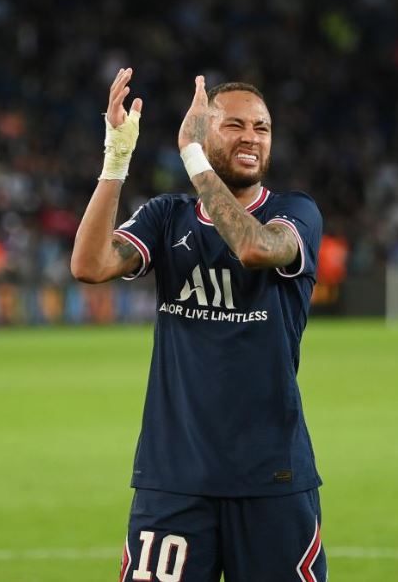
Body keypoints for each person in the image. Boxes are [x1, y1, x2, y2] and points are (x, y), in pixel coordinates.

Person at [71, 69, 327, 581]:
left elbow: (254, 248)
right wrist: (116, 158)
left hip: (271, 477)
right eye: (234, 125)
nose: (251, 137)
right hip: (173, 477)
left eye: (261, 127)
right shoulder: (167, 216)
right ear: (206, 132)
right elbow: (90, 264)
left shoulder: (295, 213)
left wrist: (191, 156)